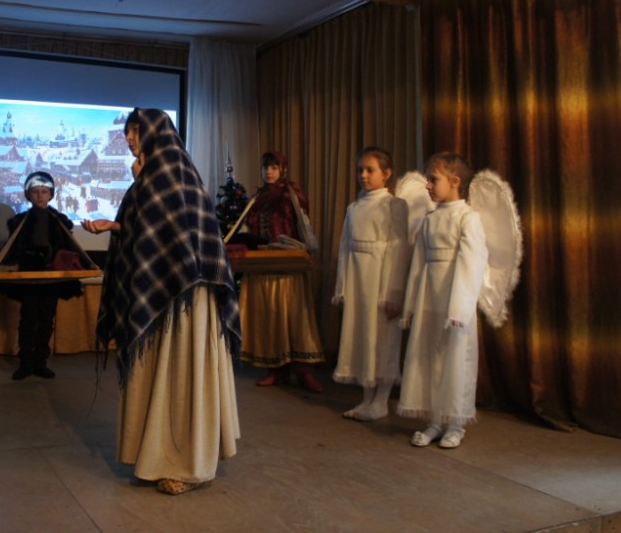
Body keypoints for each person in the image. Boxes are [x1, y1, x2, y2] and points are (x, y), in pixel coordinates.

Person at [81, 108, 240, 496]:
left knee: (182, 375)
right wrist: (113, 225)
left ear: (155, 132)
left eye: (135, 130)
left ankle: (187, 464)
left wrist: (138, 188)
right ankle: (155, 455)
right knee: (161, 374)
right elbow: (151, 226)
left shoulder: (172, 171)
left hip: (185, 292)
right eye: (127, 131)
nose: (129, 138)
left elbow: (175, 227)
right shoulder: (151, 175)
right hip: (165, 289)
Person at [397, 151, 488, 449]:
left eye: (433, 179)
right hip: (430, 297)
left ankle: (456, 422)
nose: (428, 186)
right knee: (430, 358)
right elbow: (418, 265)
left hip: (454, 301)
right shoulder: (430, 219)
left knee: (456, 360)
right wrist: (411, 306)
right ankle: (436, 419)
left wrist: (460, 309)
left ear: (455, 181)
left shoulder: (468, 218)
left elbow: (472, 264)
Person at [332, 146, 411, 420]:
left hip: (380, 280)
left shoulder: (394, 206)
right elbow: (345, 247)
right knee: (362, 337)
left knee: (383, 339)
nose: (363, 175)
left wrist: (394, 293)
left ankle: (381, 400)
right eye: (360, 170)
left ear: (386, 174)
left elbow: (399, 251)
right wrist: (342, 287)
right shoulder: (354, 208)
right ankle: (367, 398)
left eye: (370, 170)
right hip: (358, 280)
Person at [236, 151, 325, 393]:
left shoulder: (291, 193)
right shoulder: (257, 198)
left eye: (274, 167)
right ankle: (275, 370)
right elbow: (247, 227)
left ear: (283, 169)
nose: (269, 172)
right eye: (265, 167)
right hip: (263, 264)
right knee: (270, 317)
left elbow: (302, 222)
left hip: (288, 264)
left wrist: (308, 250)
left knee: (294, 316)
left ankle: (303, 370)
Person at [0, 171, 83, 380]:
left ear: (51, 194)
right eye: (35, 191)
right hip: (29, 278)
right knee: (28, 320)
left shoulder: (60, 221)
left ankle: (40, 362)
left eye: (44, 191)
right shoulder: (19, 222)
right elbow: (12, 249)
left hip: (52, 278)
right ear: (28, 195)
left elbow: (69, 248)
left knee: (46, 320)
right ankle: (26, 363)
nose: (40, 196)